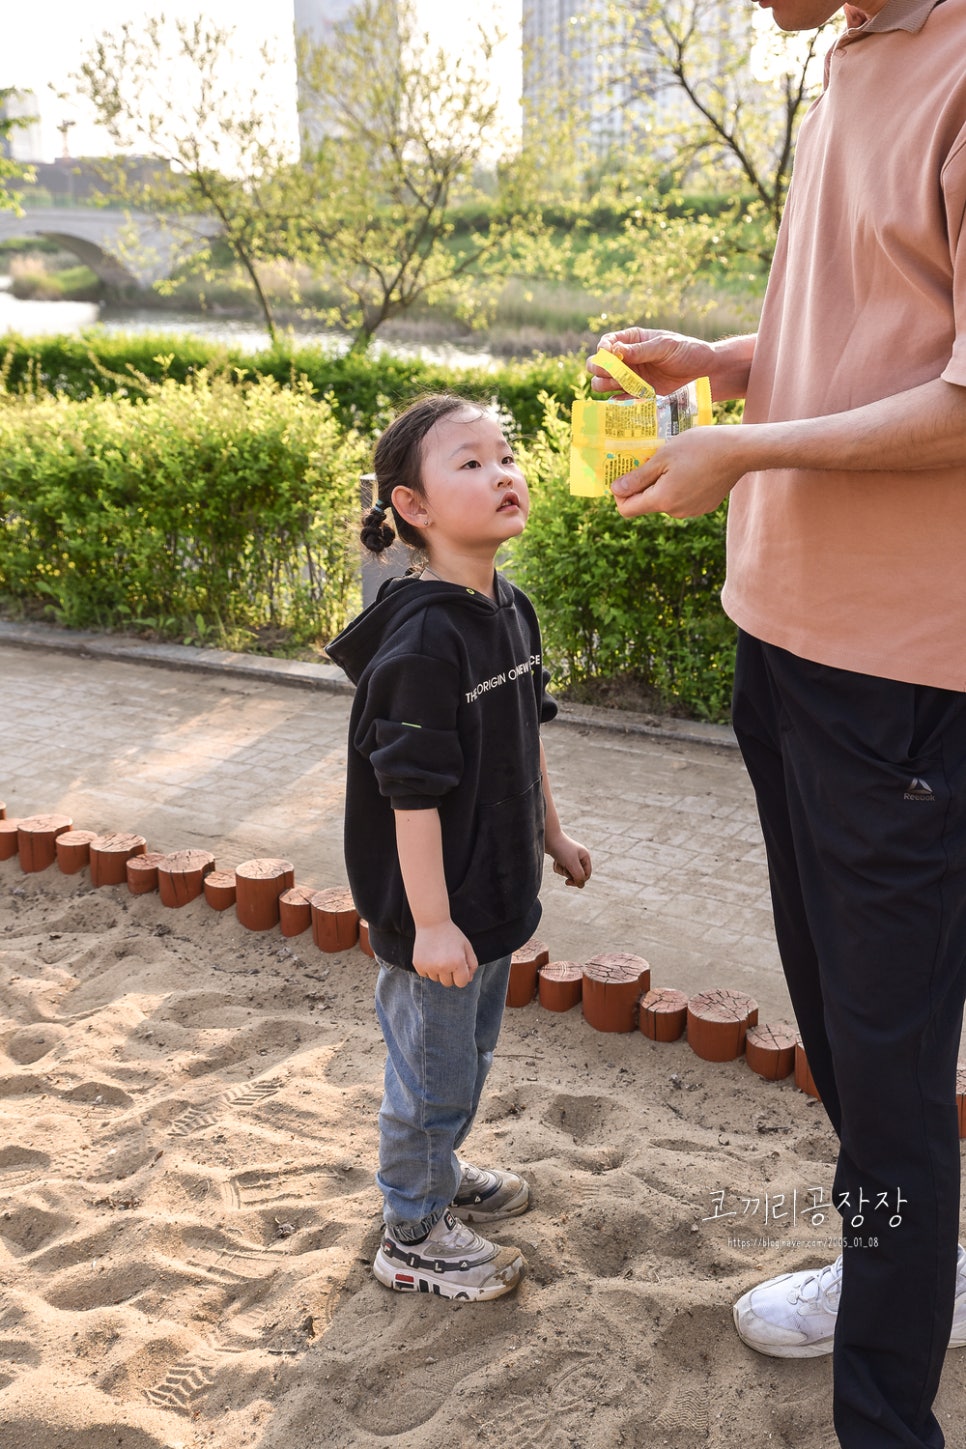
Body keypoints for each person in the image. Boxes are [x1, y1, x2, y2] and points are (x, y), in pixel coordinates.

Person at [589, 0, 966, 1443]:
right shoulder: (853, 48)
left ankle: (888, 1402)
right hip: (791, 645)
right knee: (853, 1043)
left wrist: (741, 452)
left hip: (900, 674)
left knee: (883, 1076)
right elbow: (888, 312)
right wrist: (728, 360)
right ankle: (907, 1262)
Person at [326, 393, 591, 1302]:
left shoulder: (508, 608)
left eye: (506, 454)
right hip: (434, 915)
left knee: (465, 1060)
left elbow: (529, 729)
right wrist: (432, 924)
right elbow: (410, 793)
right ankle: (410, 1228)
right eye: (469, 463)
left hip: (493, 892)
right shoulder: (426, 640)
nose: (503, 473)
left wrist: (553, 830)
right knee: (429, 1072)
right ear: (415, 508)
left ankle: (438, 1173)